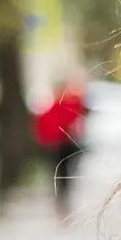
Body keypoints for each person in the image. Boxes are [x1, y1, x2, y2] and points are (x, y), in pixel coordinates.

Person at [32, 77, 88, 221]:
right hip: (57, 146)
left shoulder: (68, 105)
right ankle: (61, 203)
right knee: (60, 174)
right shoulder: (53, 109)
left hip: (66, 145)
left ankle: (62, 203)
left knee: (64, 174)